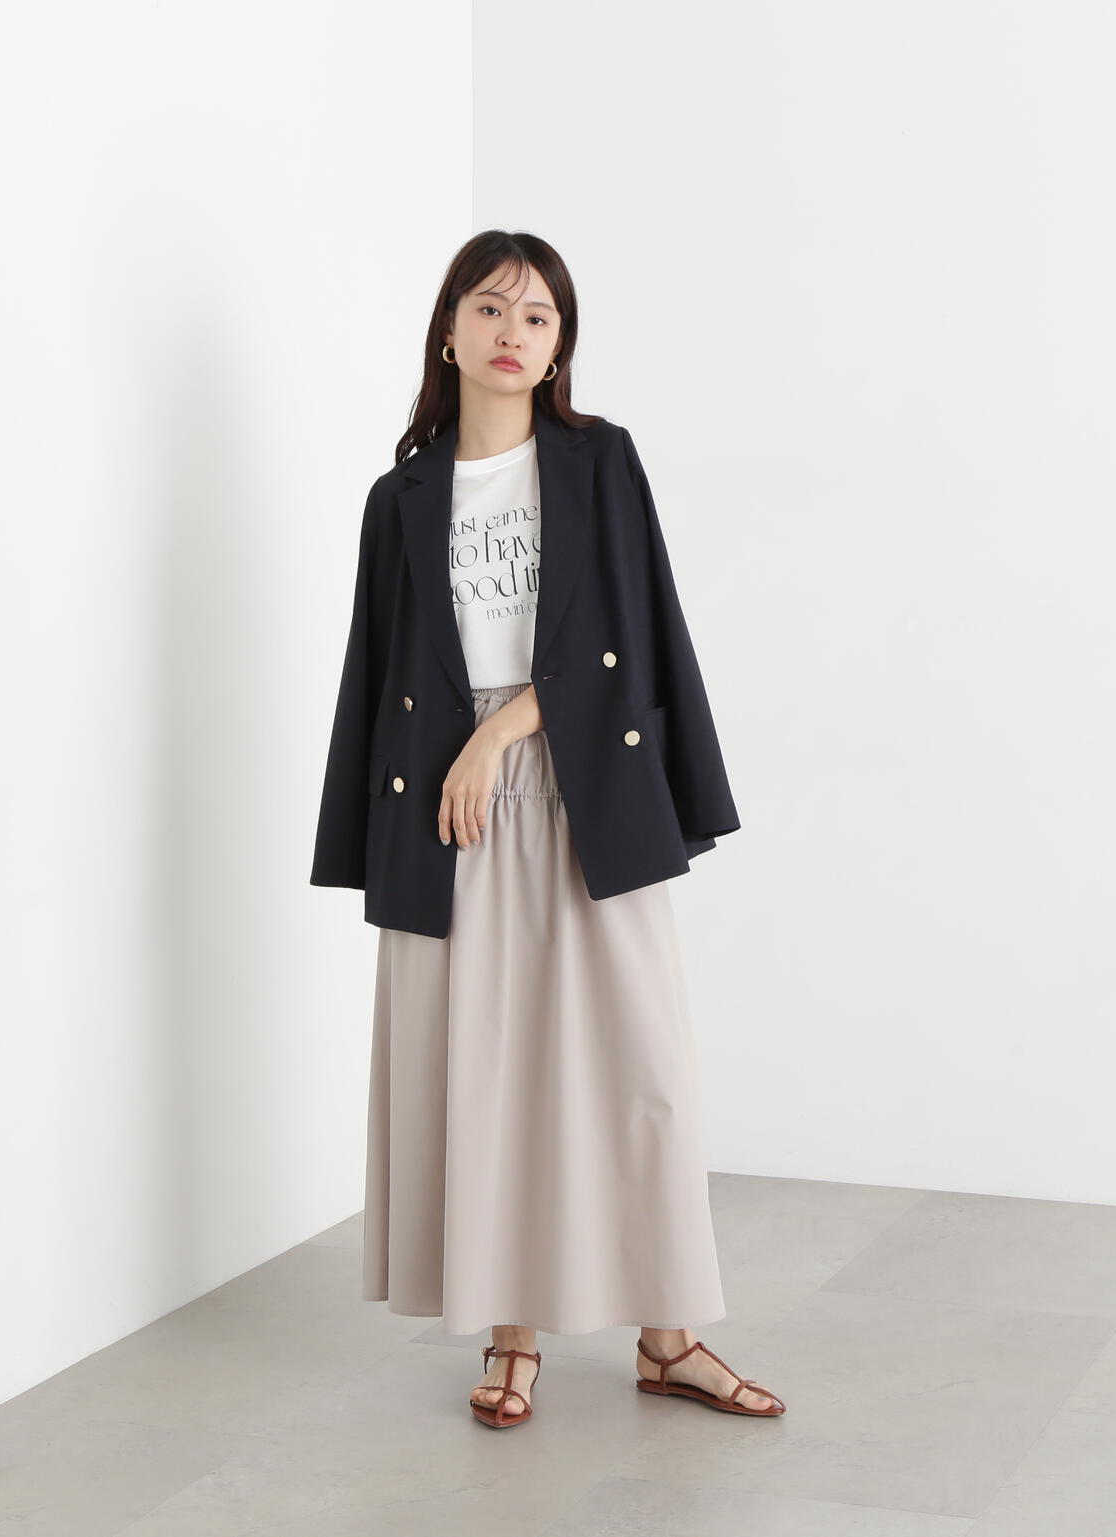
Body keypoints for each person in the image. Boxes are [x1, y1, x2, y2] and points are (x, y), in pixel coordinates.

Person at [311, 230, 787, 1429]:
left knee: (639, 1071)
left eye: (537, 316)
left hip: (578, 783)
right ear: (448, 331)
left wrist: (499, 733)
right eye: (489, 309)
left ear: (559, 342)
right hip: (446, 812)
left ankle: (668, 1337)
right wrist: (390, 811)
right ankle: (509, 1337)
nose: (512, 333)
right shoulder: (399, 496)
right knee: (483, 1075)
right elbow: (376, 671)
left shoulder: (595, 461)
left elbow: (630, 628)